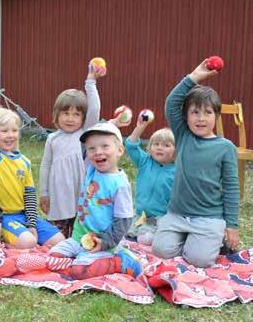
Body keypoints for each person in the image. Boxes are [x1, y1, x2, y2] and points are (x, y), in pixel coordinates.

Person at [152, 59, 240, 268]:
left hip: (209, 217)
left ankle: (208, 241)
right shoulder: (183, 136)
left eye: (207, 112)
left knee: (200, 260)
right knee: (161, 250)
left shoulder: (226, 147)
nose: (201, 118)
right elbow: (172, 102)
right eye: (195, 112)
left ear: (216, 116)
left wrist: (232, 226)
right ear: (186, 116)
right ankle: (186, 238)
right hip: (177, 214)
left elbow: (231, 188)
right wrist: (195, 77)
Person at [0, 80, 65, 249]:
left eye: (14, 130)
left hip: (24, 216)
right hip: (1, 218)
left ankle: (26, 236)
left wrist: (32, 224)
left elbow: (29, 196)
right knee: (28, 242)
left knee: (60, 242)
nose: (10, 135)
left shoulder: (25, 162)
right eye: (4, 131)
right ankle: (5, 241)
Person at [47, 122, 142, 279]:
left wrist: (105, 242)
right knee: (52, 258)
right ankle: (82, 261)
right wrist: (111, 122)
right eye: (92, 148)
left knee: (78, 272)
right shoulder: (91, 168)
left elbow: (124, 221)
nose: (98, 152)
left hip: (103, 242)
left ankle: (122, 262)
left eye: (105, 146)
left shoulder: (120, 184)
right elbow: (84, 146)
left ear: (120, 150)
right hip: (79, 238)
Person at [39, 61, 105, 237]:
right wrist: (44, 194)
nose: (70, 118)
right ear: (56, 114)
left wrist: (90, 82)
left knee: (80, 237)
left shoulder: (85, 135)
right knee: (56, 237)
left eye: (76, 114)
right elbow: (45, 166)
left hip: (80, 197)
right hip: (58, 197)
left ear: (83, 117)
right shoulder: (52, 139)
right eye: (65, 113)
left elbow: (95, 108)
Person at [125, 114, 175, 245]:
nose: (159, 147)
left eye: (166, 145)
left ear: (176, 151)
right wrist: (140, 127)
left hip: (161, 218)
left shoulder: (177, 171)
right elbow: (130, 145)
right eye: (156, 144)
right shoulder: (145, 162)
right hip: (140, 214)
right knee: (124, 230)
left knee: (146, 238)